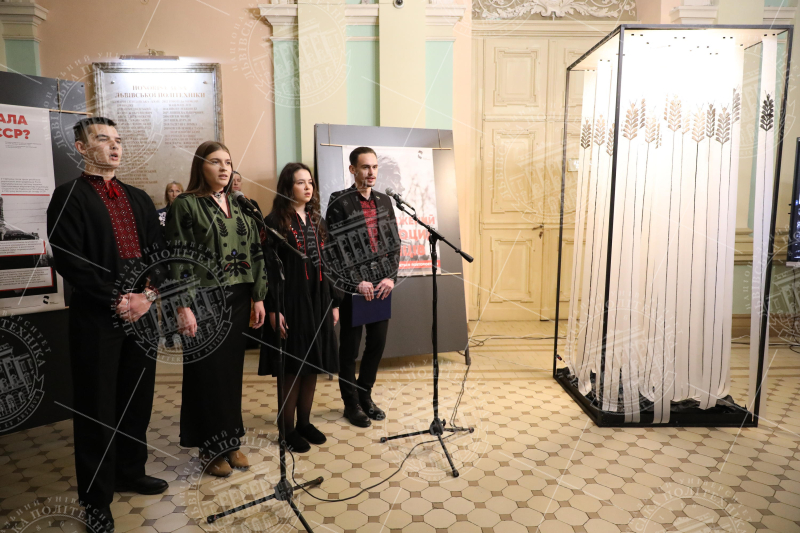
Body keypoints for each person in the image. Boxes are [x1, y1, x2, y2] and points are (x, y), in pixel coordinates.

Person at [46, 117, 168, 533]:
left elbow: (160, 253)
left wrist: (147, 296)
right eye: (103, 139)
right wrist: (117, 299)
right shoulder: (69, 196)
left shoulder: (139, 198)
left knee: (137, 400)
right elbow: (70, 260)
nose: (114, 146)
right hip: (97, 318)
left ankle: (131, 472)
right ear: (81, 148)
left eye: (118, 140)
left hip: (143, 316)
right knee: (97, 409)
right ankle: (96, 500)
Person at [164, 141, 267, 477]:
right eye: (215, 162)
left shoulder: (241, 204)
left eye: (228, 162)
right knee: (207, 375)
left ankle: (231, 440)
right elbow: (177, 255)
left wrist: (258, 297)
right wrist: (183, 306)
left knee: (231, 373)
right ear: (200, 166)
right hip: (202, 299)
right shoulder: (186, 204)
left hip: (239, 297)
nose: (224, 168)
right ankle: (210, 447)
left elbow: (255, 250)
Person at [258, 162, 340, 452]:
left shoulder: (317, 220)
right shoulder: (274, 221)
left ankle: (304, 422)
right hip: (290, 301)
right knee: (293, 366)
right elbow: (267, 268)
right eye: (300, 182)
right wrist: (273, 308)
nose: (307, 187)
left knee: (312, 363)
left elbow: (328, 263)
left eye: (310, 182)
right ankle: (287, 429)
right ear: (287, 186)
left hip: (318, 299)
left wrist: (333, 302)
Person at [325, 146, 400, 428]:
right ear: (353, 169)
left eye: (375, 167)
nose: (371, 172)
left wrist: (390, 277)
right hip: (353, 288)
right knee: (349, 349)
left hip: (381, 286)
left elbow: (394, 242)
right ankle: (351, 404)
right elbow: (334, 249)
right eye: (365, 167)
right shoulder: (339, 201)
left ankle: (365, 395)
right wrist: (356, 281)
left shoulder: (384, 200)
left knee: (377, 344)